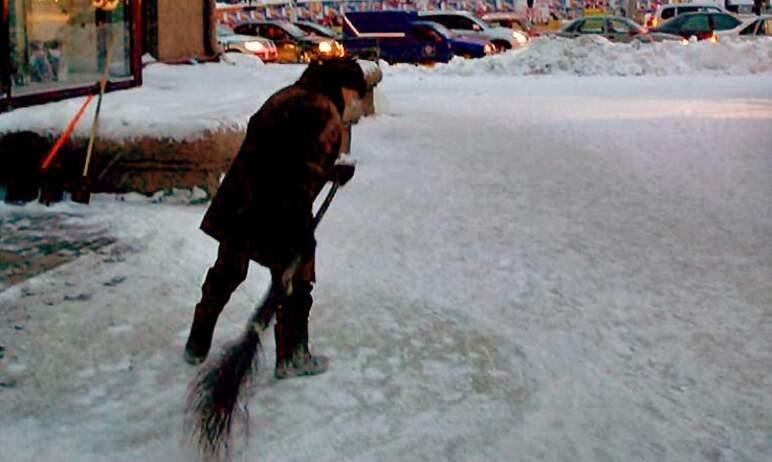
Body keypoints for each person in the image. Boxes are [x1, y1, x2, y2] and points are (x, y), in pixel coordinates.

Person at [183, 59, 367, 379]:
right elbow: (302, 172)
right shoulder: (325, 112)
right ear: (342, 85)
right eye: (354, 94)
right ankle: (292, 356)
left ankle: (197, 343)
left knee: (226, 273)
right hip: (282, 210)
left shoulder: (285, 97)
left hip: (242, 200)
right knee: (296, 284)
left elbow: (279, 153)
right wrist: (301, 230)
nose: (353, 103)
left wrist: (332, 171)